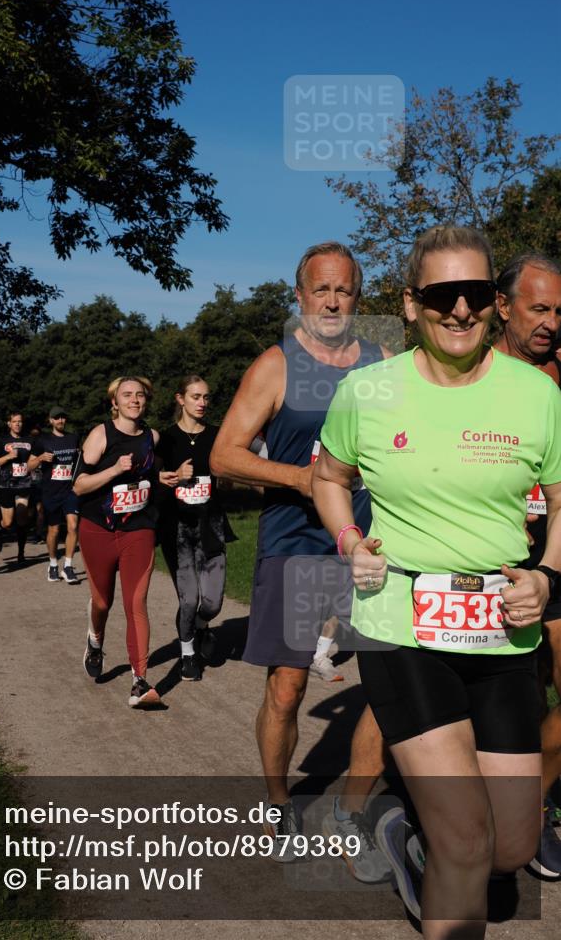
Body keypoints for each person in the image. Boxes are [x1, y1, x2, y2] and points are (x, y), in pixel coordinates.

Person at [312, 226, 561, 938]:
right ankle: (439, 849)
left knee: (508, 848)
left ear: (495, 304)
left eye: (475, 294)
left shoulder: (536, 395)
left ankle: (399, 828)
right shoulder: (369, 390)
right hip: (402, 625)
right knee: (465, 841)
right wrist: (349, 538)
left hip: (504, 632)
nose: (460, 311)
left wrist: (545, 577)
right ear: (413, 303)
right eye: (442, 295)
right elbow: (328, 477)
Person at [210, 241, 391, 879]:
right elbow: (224, 455)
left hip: (370, 542)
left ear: (357, 298)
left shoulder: (382, 363)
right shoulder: (275, 364)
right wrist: (300, 479)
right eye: (321, 290)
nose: (333, 301)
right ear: (300, 297)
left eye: (344, 291)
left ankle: (354, 806)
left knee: (389, 683)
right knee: (287, 687)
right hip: (295, 542)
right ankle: (280, 799)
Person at [495, 252, 561, 878]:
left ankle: (532, 811)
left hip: (554, 557)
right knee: (416, 697)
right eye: (539, 308)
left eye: (559, 310)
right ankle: (355, 810)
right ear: (503, 305)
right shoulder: (468, 370)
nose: (551, 322)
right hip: (483, 560)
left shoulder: (557, 375)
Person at [73, 376, 161, 708]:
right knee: (101, 603)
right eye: (127, 395)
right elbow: (78, 486)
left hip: (138, 529)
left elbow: (153, 477)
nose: (134, 400)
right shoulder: (101, 435)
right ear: (115, 401)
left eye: (140, 395)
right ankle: (95, 641)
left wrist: (165, 478)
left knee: (136, 603)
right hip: (98, 530)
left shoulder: (153, 437)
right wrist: (113, 470)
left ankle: (140, 681)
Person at [158, 375, 231, 682]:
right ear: (180, 399)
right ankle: (188, 654)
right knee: (188, 598)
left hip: (211, 526)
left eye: (205, 397)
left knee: (212, 604)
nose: (202, 403)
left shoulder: (218, 435)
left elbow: (229, 469)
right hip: (178, 530)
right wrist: (176, 475)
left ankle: (201, 628)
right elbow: (154, 481)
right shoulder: (165, 439)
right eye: (195, 397)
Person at [28, 406, 81, 584]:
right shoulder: (42, 440)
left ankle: (67, 566)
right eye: (56, 418)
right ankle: (52, 564)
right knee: (54, 530)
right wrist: (40, 458)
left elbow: (79, 461)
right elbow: (28, 467)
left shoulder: (73, 438)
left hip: (70, 490)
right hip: (50, 491)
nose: (60, 421)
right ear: (50, 420)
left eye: (63, 418)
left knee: (73, 526)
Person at [0, 412, 34, 566]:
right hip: (6, 484)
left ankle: (21, 553)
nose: (17, 424)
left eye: (20, 421)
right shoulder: (1, 441)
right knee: (8, 522)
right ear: (9, 423)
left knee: (22, 519)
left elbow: (34, 460)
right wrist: (8, 457)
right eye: (14, 422)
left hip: (24, 482)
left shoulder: (29, 440)